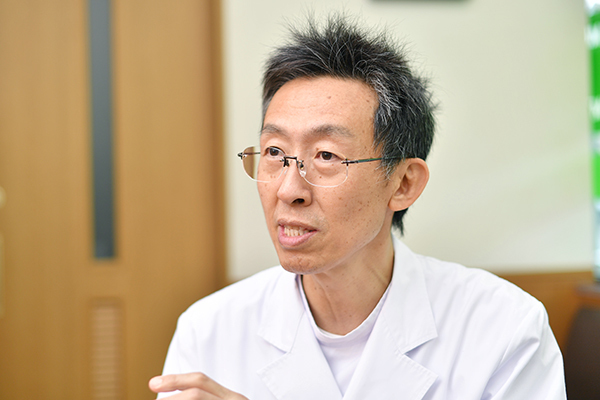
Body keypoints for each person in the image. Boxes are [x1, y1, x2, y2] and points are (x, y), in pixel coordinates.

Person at [149, 15, 566, 400]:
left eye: (326, 156)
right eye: (274, 152)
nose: (289, 190)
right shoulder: (208, 331)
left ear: (403, 183)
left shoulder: (504, 329)